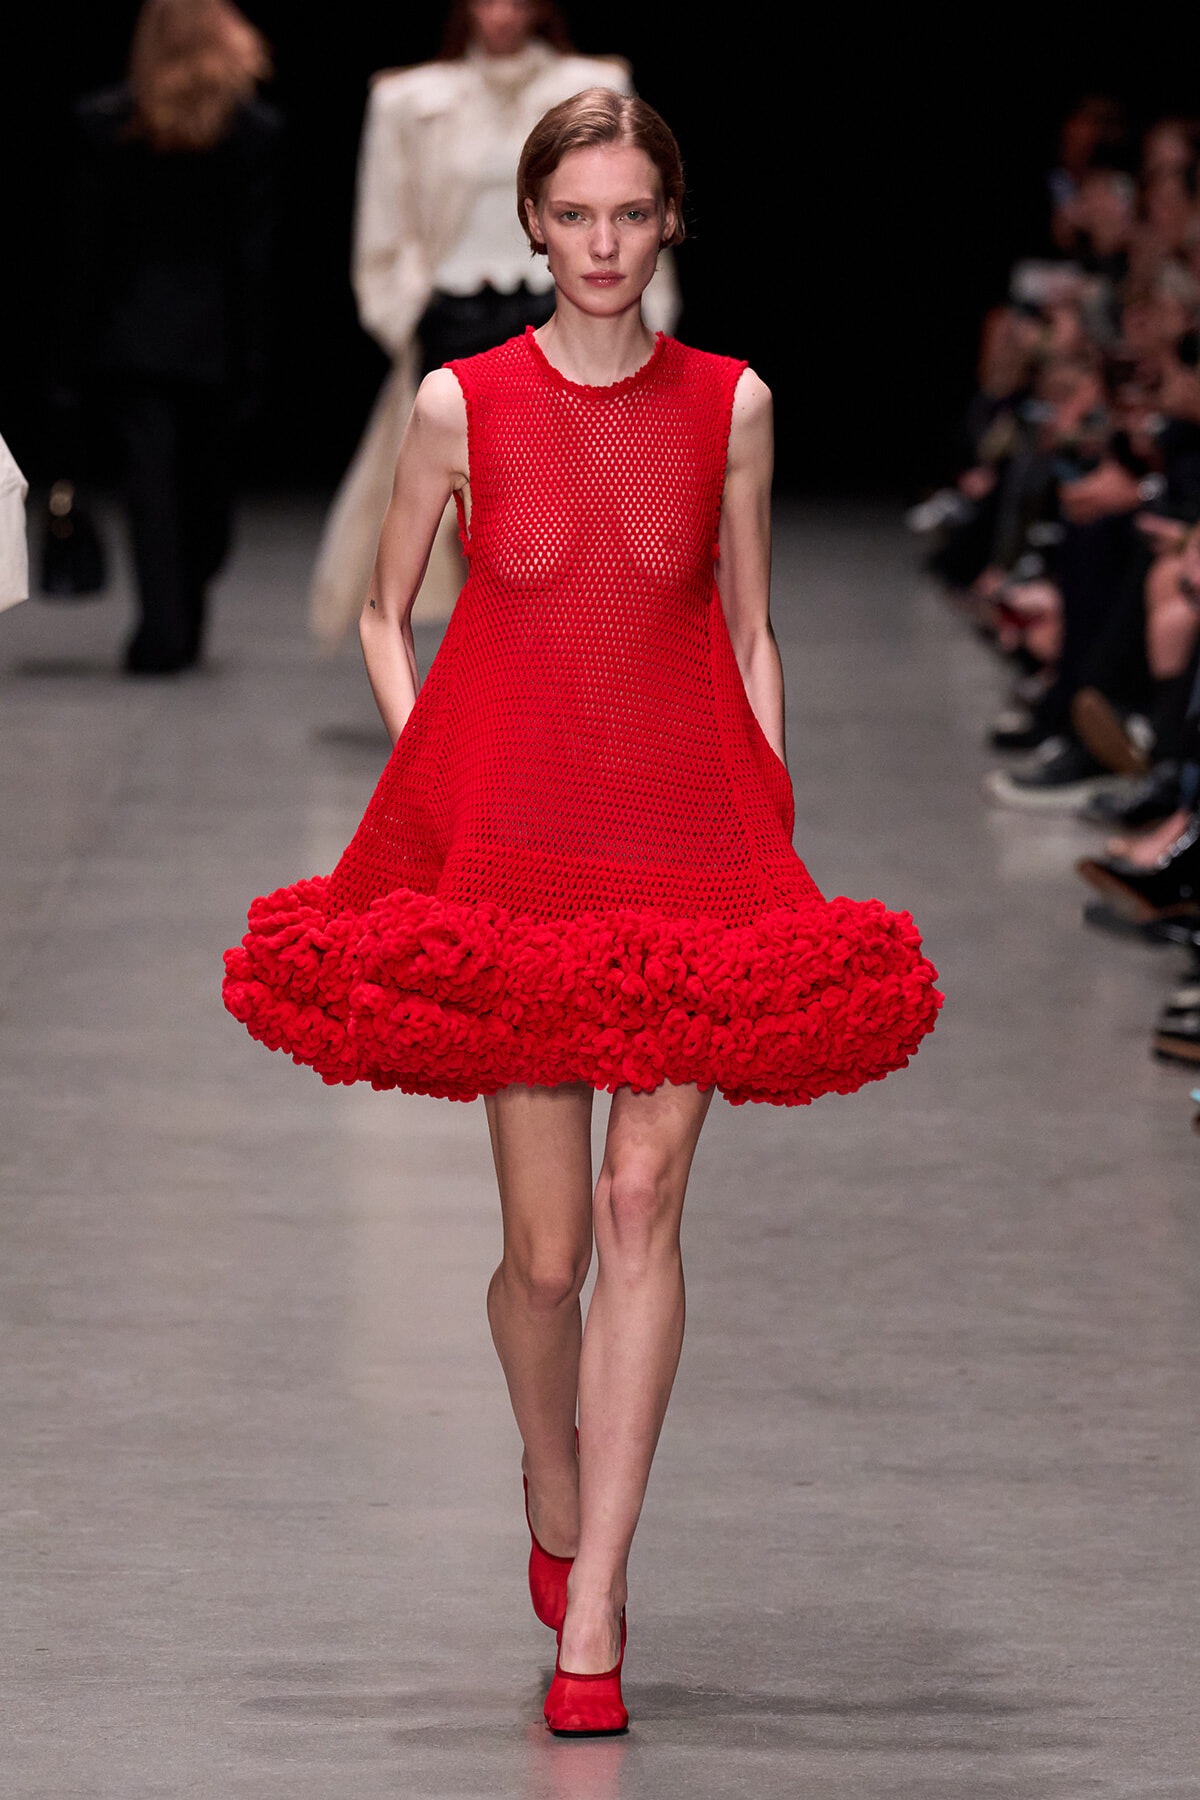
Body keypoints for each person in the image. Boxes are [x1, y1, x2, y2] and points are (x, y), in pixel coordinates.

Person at [225, 89, 941, 1736]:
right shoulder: (463, 407)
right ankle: (551, 1477)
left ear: (670, 220)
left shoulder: (733, 405)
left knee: (639, 1212)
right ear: (533, 227)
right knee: (543, 1264)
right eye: (578, 216)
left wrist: (770, 808)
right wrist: (447, 771)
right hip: (521, 862)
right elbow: (386, 614)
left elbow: (753, 628)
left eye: (634, 214)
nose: (606, 245)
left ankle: (598, 1600)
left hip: (690, 846)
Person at [308, 0, 679, 649]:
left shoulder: (595, 89)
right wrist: (411, 319)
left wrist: (639, 317)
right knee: (458, 509)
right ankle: (495, 667)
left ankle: (548, 662)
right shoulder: (408, 99)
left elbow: (634, 206)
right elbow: (381, 229)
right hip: (453, 319)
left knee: (565, 507)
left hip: (560, 313)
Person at [61, 0, 280, 674]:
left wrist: (69, 351)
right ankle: (171, 625)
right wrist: (256, 348)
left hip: (135, 334)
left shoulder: (109, 125)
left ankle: (166, 625)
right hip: (209, 337)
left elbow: (83, 252)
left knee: (158, 487)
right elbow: (256, 254)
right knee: (192, 486)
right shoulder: (248, 131)